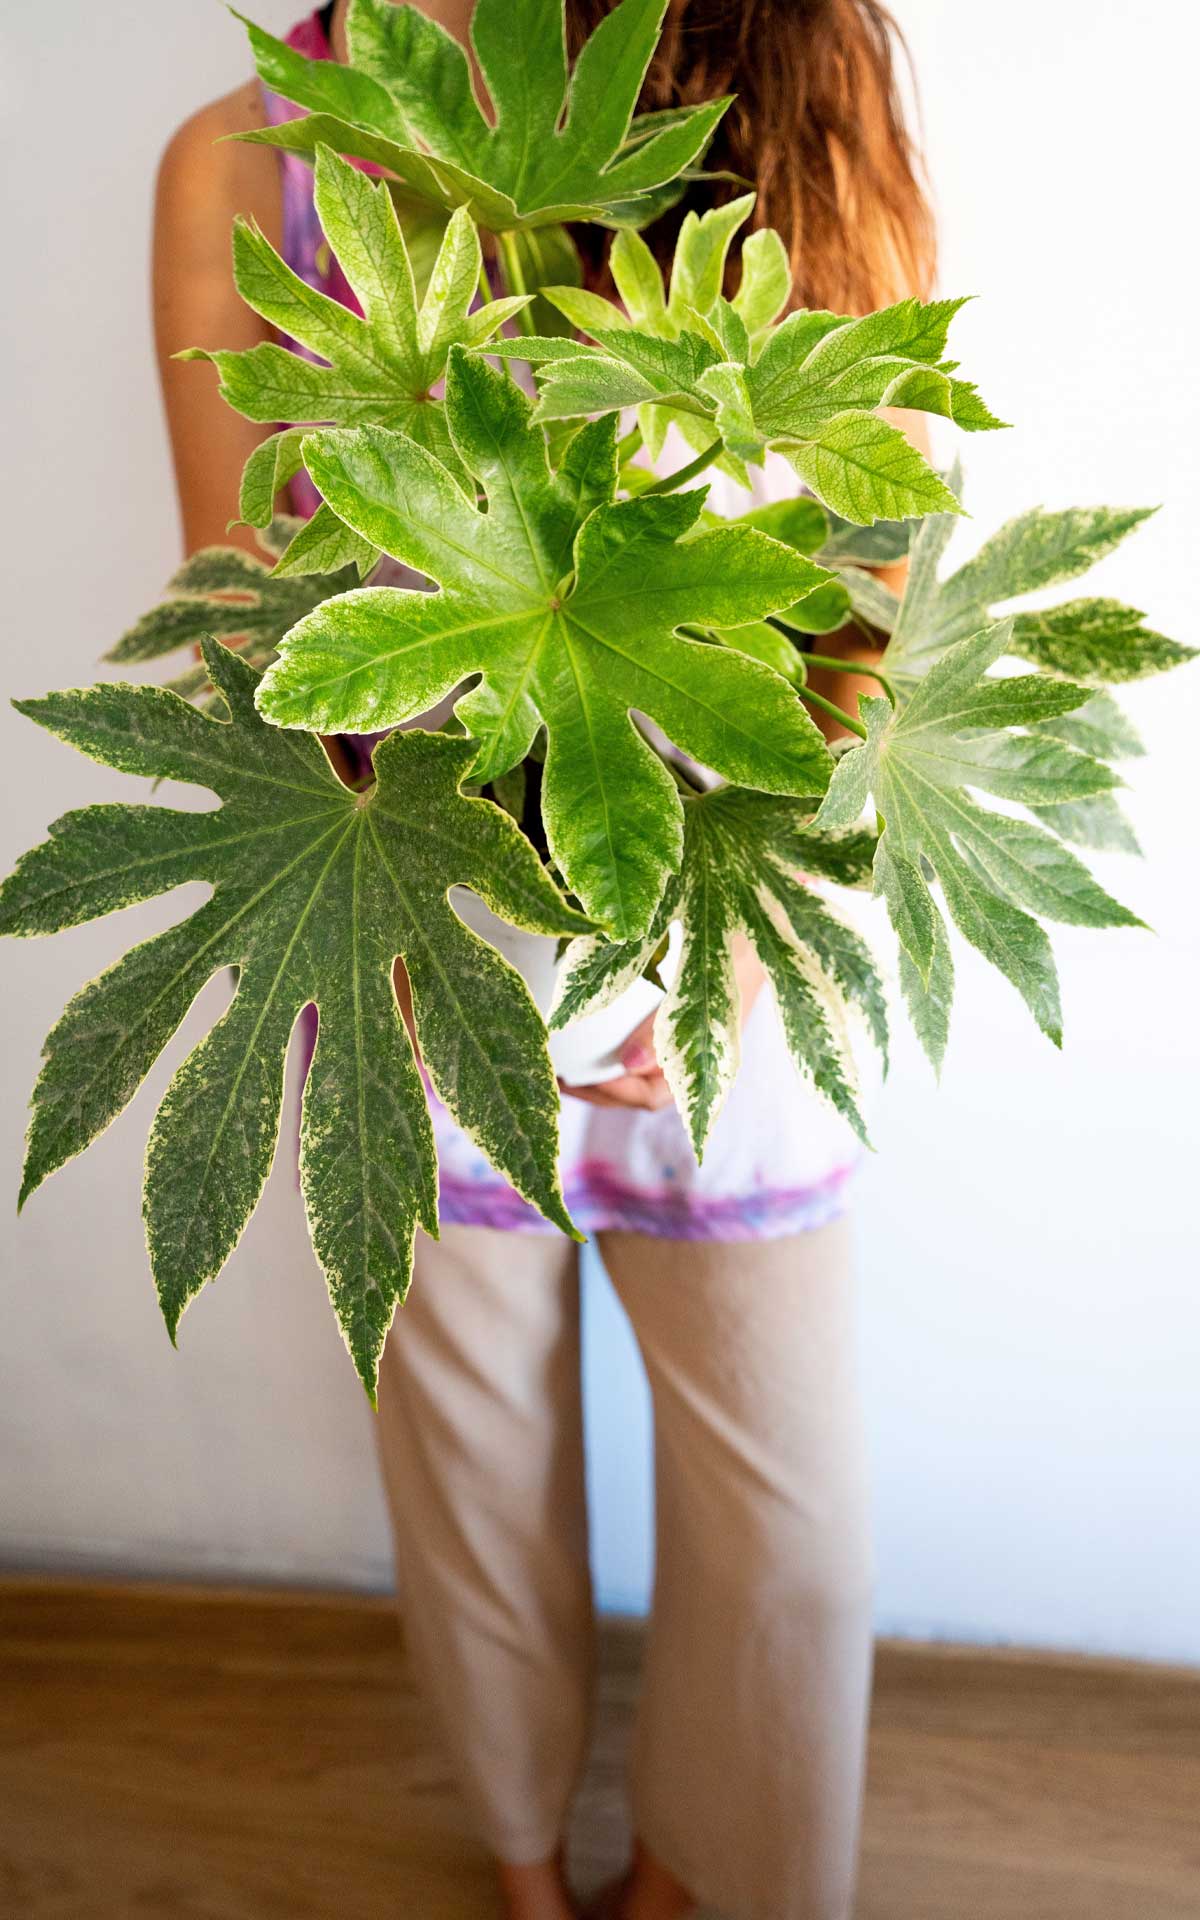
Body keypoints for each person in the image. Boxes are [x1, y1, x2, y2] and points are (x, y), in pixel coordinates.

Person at [154, 5, 934, 1917]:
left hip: (732, 906)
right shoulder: (239, 154)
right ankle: (522, 1868)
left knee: (793, 1518)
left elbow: (883, 512)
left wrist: (730, 924)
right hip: (415, 910)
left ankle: (709, 1875)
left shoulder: (775, 55)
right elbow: (245, 613)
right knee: (471, 1467)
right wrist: (417, 936)